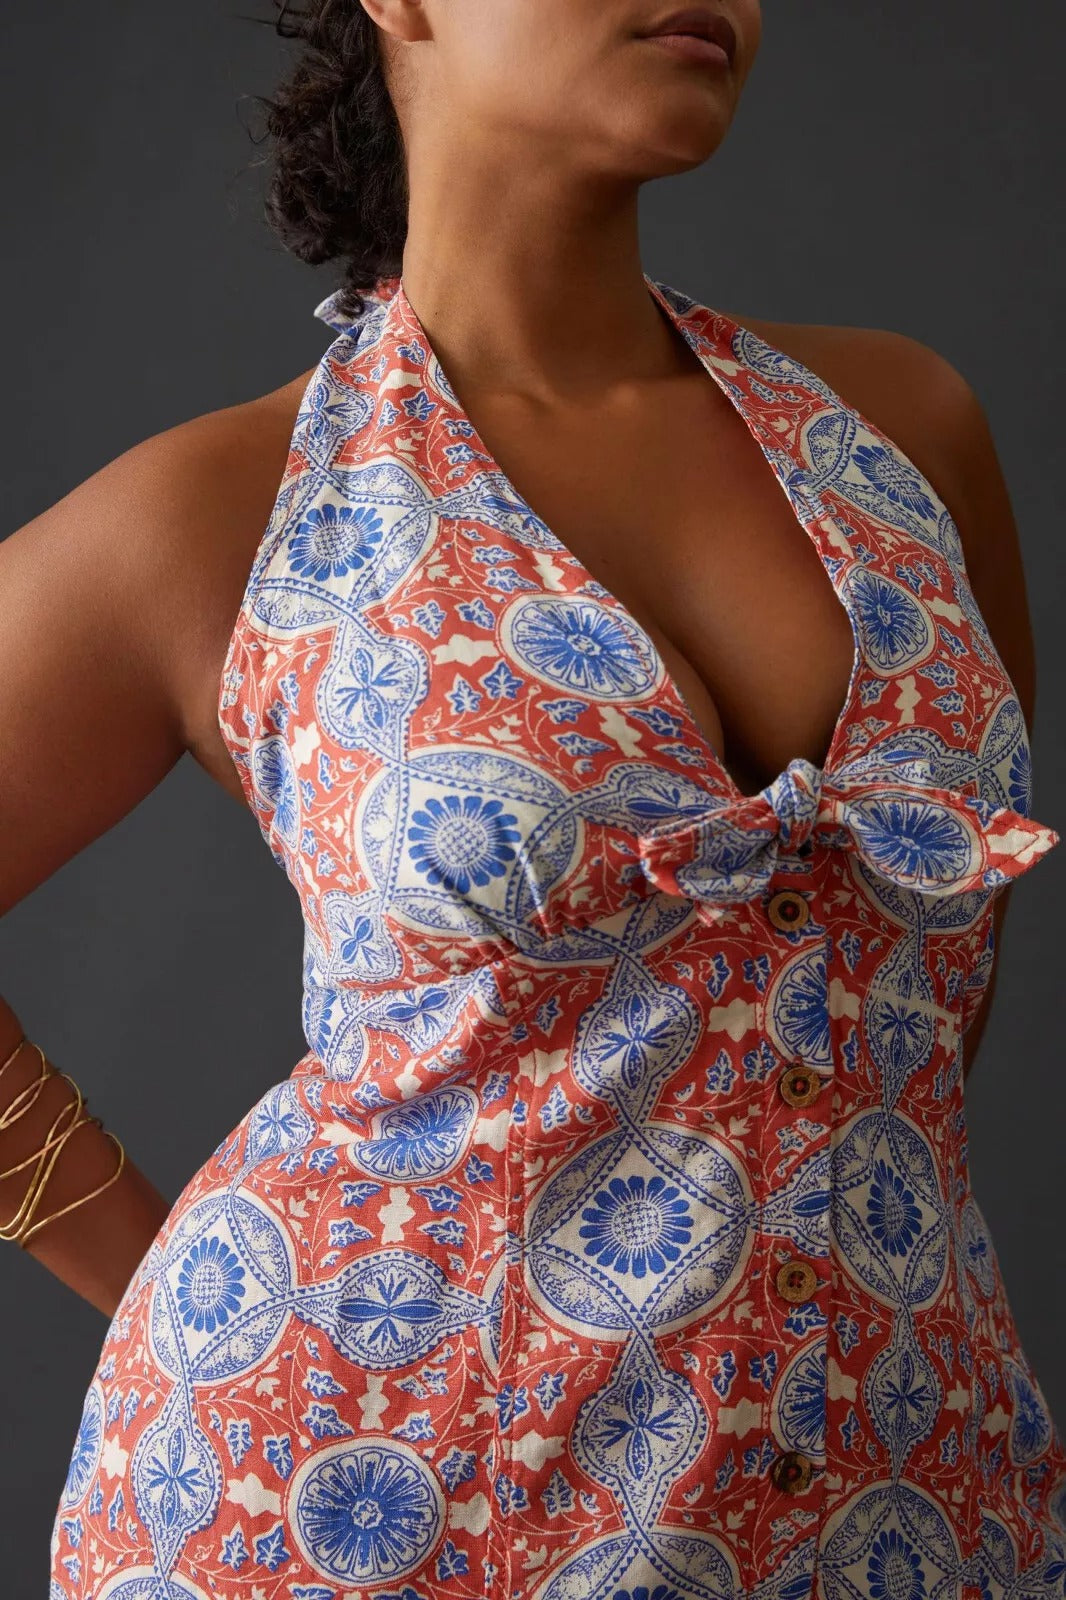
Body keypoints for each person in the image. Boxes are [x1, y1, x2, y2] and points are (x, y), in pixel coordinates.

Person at [2, 1, 1063, 1595]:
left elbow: (930, 971)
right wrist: (187, 1291)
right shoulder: (225, 513)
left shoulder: (906, 432)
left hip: (901, 1495)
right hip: (374, 1519)